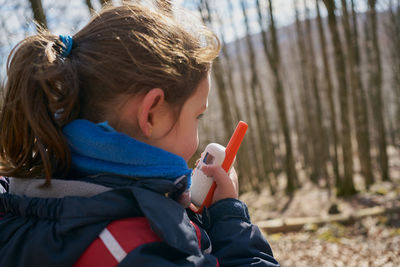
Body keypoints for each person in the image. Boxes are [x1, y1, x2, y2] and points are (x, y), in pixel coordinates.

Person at [0, 3, 279, 267]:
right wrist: (230, 218)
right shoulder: (146, 249)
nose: (198, 133)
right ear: (151, 114)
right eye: (197, 116)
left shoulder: (22, 200)